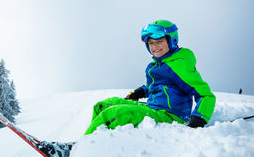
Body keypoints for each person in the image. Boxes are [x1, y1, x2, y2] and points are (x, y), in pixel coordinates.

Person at [84, 19, 216, 134]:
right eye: (151, 43)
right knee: (103, 105)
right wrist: (141, 91)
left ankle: (82, 148)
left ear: (172, 40)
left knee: (114, 113)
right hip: (153, 108)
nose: (154, 47)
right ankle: (91, 139)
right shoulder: (155, 65)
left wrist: (199, 118)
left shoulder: (179, 64)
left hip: (171, 115)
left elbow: (205, 95)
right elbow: (160, 85)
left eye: (159, 41)